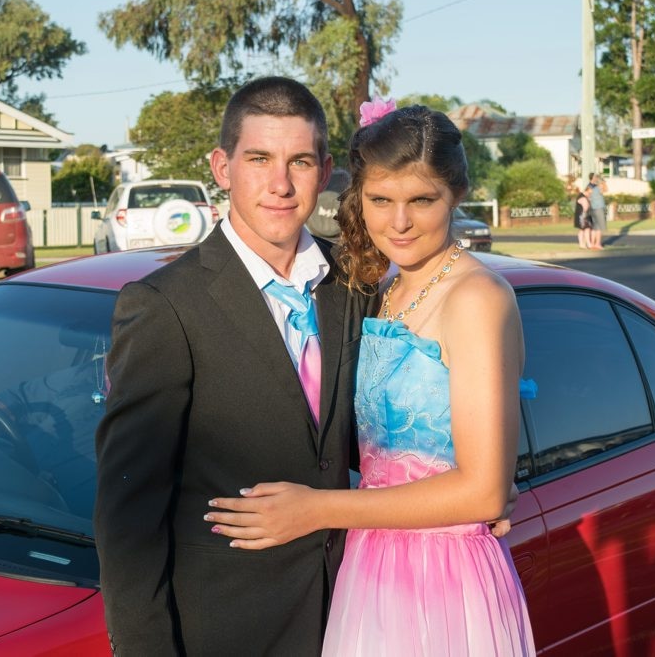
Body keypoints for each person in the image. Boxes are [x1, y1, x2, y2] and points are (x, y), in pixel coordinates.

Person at [207, 104, 535, 655]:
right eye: (381, 201)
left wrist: (316, 508)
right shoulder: (383, 290)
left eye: (421, 200)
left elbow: (481, 490)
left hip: (442, 581)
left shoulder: (477, 297)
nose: (399, 222)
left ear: (456, 194)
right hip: (374, 563)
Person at [93, 76, 376, 655]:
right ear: (223, 168)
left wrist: (468, 488)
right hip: (228, 631)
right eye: (259, 159)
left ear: (323, 173)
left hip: (357, 615)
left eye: (299, 161)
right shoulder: (164, 306)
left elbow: (363, 439)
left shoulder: (353, 286)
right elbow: (129, 515)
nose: (280, 183)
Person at [586, 172, 607, 249]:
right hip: (599, 208)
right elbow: (605, 189)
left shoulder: (589, 186)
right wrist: (604, 182)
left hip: (593, 208)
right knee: (599, 227)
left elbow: (587, 195)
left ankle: (592, 243)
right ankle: (597, 243)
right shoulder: (597, 187)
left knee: (594, 227)